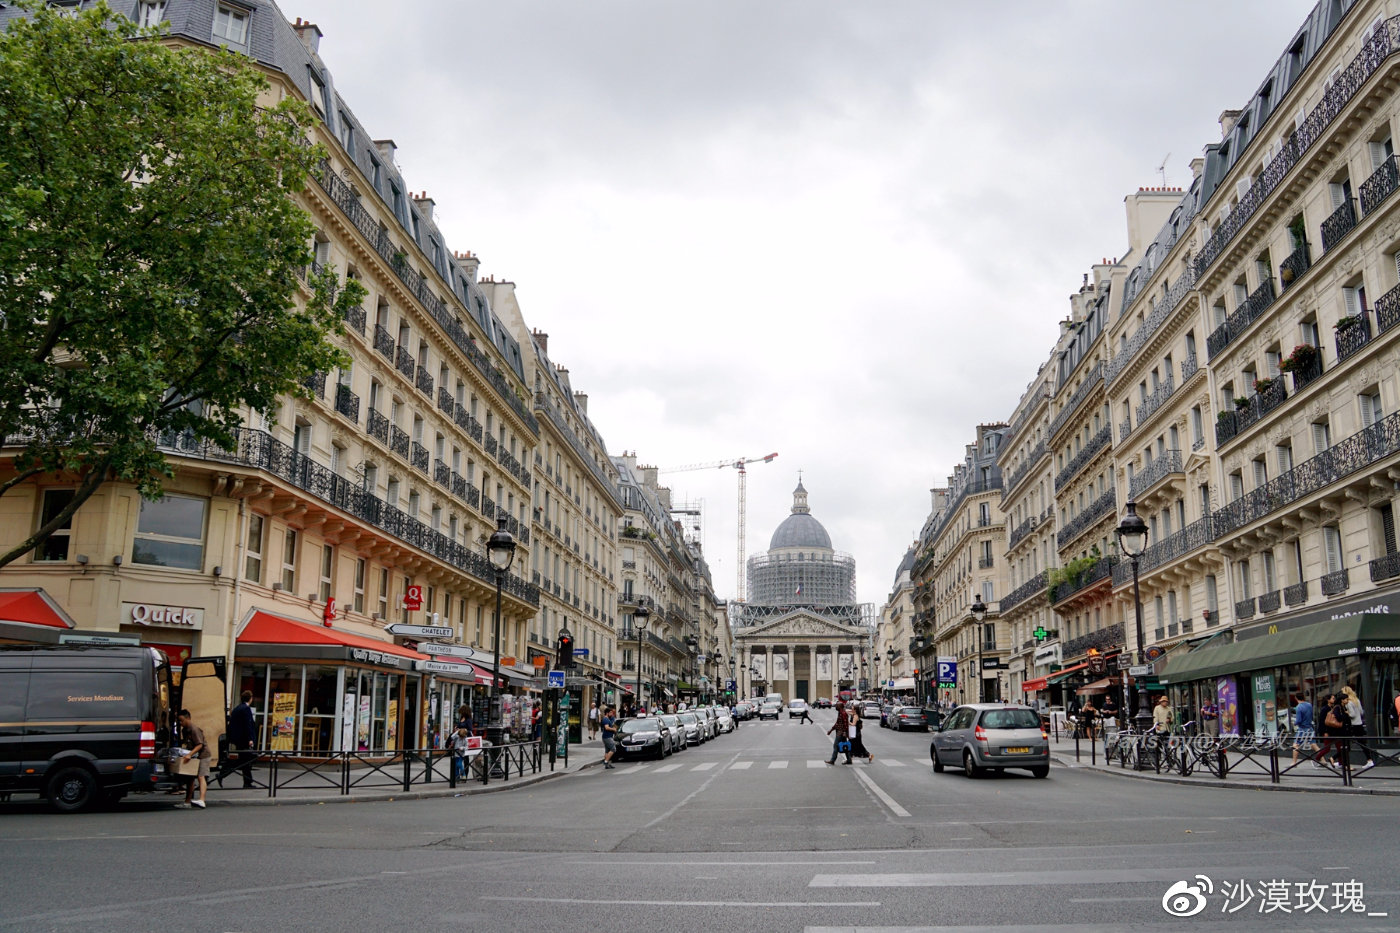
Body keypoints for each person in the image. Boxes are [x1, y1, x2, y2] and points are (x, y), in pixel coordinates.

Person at [218, 690, 256, 789]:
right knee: (244, 761)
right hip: (243, 739)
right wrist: (250, 738)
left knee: (245, 760)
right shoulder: (246, 709)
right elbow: (247, 725)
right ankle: (224, 772)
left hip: (237, 738)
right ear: (250, 699)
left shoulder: (237, 708)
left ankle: (247, 782)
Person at [176, 709, 210, 809]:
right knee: (189, 778)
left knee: (201, 776)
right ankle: (187, 802)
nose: (181, 723)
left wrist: (189, 754)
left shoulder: (194, 729)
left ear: (188, 718)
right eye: (179, 721)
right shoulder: (184, 730)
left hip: (203, 755)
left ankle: (202, 800)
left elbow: (200, 745)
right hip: (194, 755)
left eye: (182, 720)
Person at [1341, 685, 1375, 771]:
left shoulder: (1348, 703)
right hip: (1359, 723)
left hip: (1353, 725)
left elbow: (1352, 715)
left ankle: (1340, 761)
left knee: (1347, 743)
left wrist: (1346, 712)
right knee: (1362, 743)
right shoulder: (1356, 700)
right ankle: (1369, 760)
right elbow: (1361, 712)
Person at [1291, 694, 1318, 767]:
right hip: (1310, 727)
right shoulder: (1309, 705)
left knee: (1295, 745)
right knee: (1314, 744)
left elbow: (1299, 720)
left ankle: (1294, 762)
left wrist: (1295, 723)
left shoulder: (1298, 707)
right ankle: (1323, 760)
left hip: (1302, 728)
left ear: (1296, 698)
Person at [600, 705, 618, 770]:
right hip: (607, 737)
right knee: (613, 749)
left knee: (607, 751)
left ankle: (607, 764)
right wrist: (613, 729)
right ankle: (606, 761)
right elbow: (606, 727)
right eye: (610, 713)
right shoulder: (605, 719)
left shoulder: (607, 719)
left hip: (607, 736)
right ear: (607, 713)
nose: (611, 714)